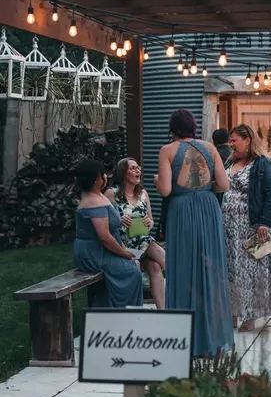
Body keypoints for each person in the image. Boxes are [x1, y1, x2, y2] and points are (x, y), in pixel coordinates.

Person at [154, 108, 234, 357]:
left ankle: (185, 337)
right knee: (211, 268)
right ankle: (213, 337)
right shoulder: (210, 148)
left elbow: (165, 190)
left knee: (183, 268)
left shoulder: (167, 151)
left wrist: (157, 181)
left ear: (172, 128)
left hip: (182, 211)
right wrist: (205, 188)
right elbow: (224, 184)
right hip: (208, 209)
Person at [223, 124, 271, 332]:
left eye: (234, 140)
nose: (230, 144)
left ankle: (250, 316)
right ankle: (233, 313)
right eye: (230, 140)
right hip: (229, 229)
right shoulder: (230, 161)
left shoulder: (264, 164)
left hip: (252, 227)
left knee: (252, 272)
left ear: (248, 140)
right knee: (232, 271)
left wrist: (265, 222)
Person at [73, 159, 143, 308]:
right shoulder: (93, 202)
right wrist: (124, 253)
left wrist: (124, 251)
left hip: (104, 250)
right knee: (132, 272)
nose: (106, 176)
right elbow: (104, 236)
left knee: (135, 263)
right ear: (95, 179)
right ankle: (122, 312)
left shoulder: (99, 196)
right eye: (103, 174)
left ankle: (121, 309)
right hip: (95, 252)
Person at [105, 158, 165, 309]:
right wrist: (118, 220)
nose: (138, 170)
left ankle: (163, 311)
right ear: (123, 173)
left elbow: (151, 220)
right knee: (154, 249)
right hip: (123, 246)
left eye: (138, 167)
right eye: (132, 168)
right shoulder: (111, 194)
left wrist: (148, 222)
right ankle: (184, 281)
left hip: (142, 241)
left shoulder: (143, 193)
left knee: (155, 266)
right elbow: (104, 222)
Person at [212, 128, 232, 206]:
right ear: (229, 140)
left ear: (214, 142)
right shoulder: (235, 154)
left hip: (217, 195)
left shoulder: (213, 155)